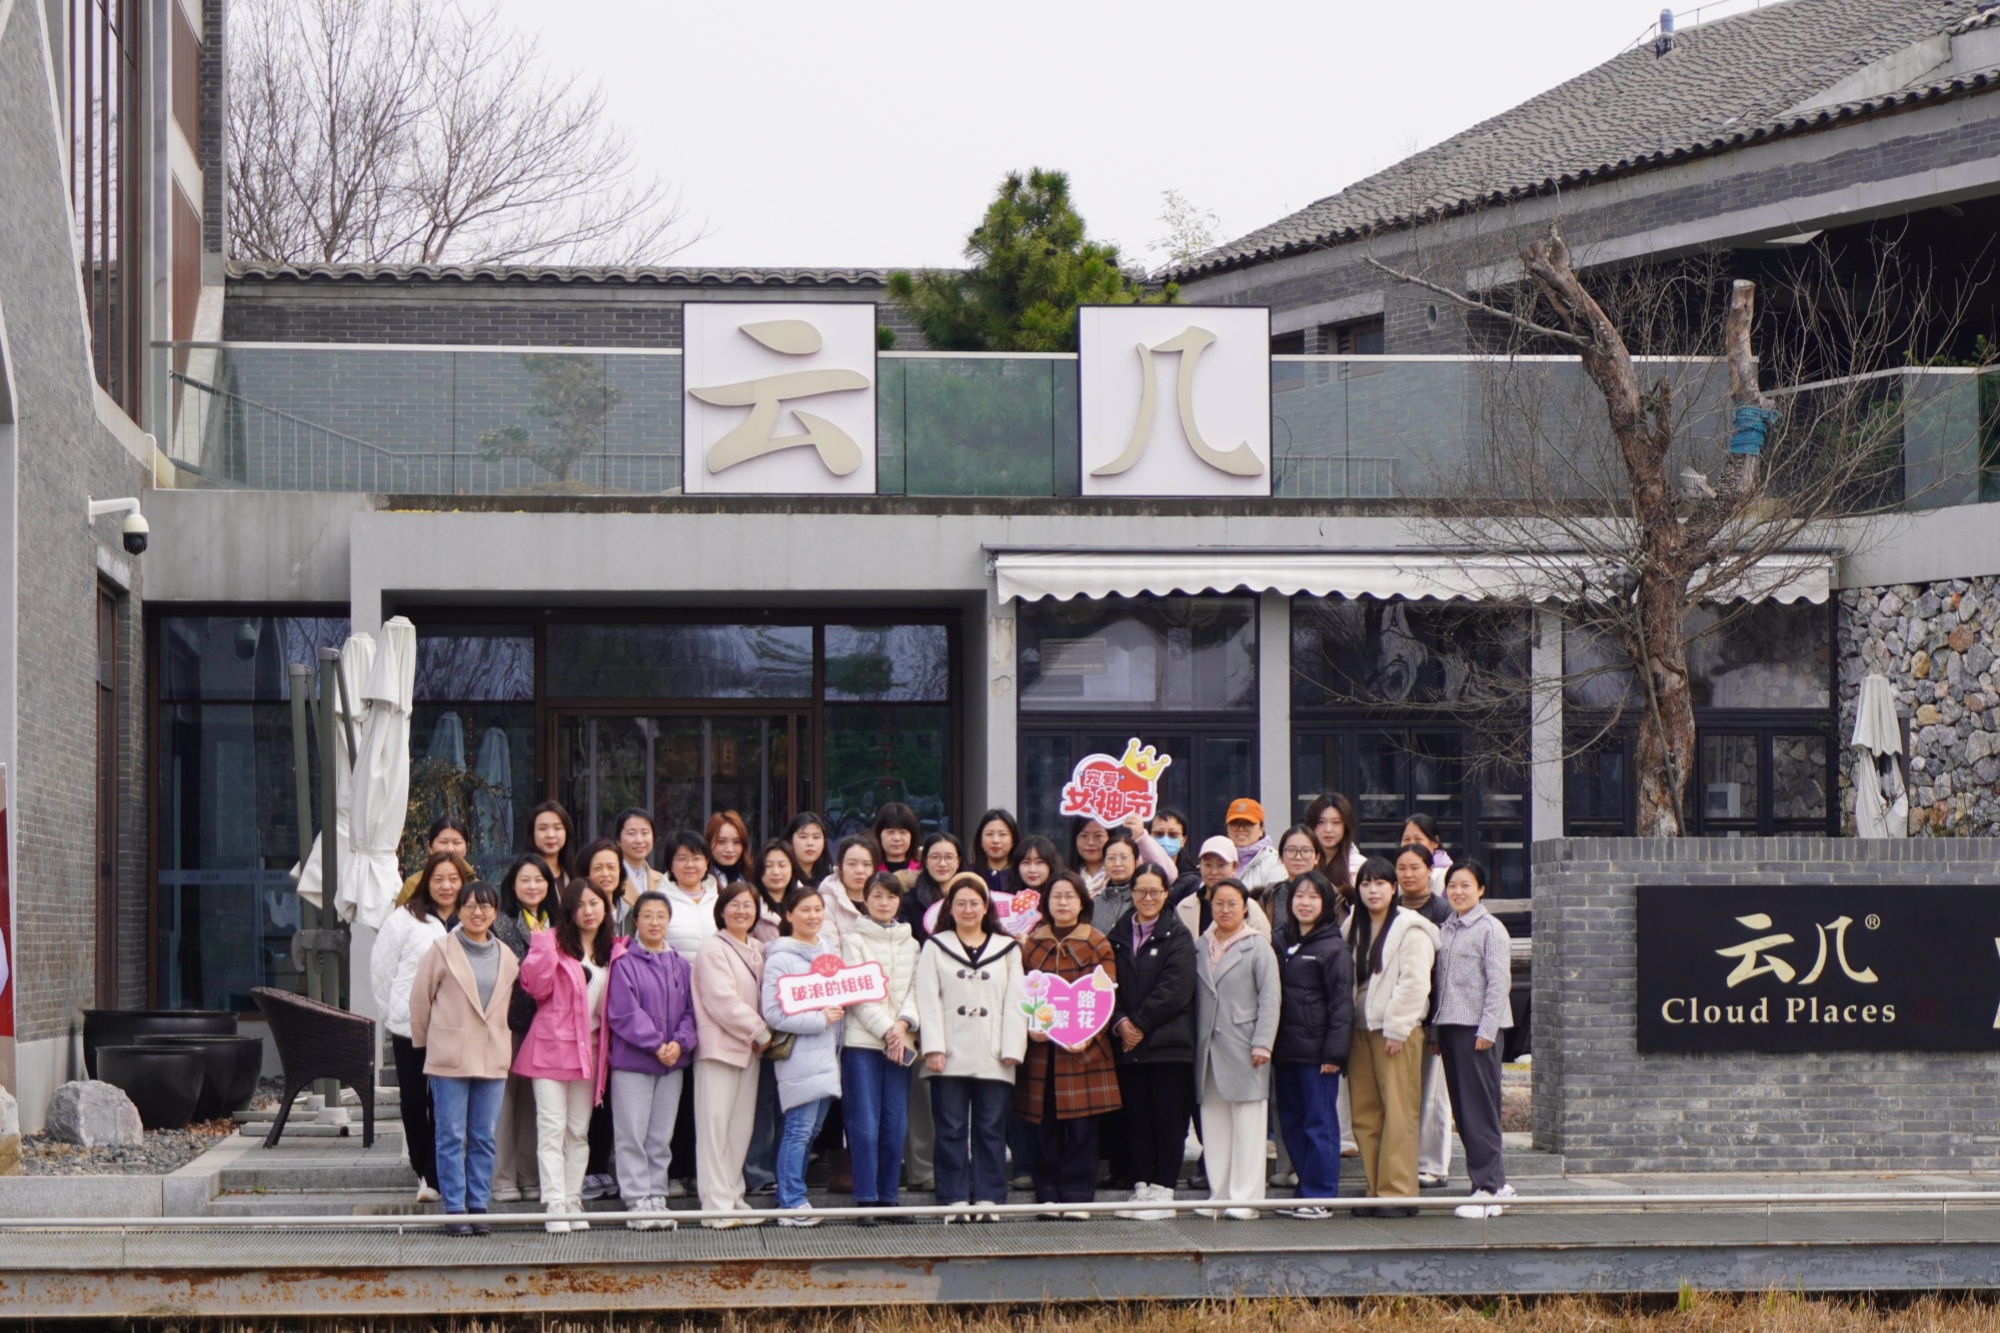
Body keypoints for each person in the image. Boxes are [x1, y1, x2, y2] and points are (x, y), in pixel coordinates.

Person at [409, 880, 519, 1235]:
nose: (478, 912)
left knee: (485, 1135)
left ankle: (478, 1205)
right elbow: (420, 1000)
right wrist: (429, 1043)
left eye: (485, 906)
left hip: (491, 1054)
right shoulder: (441, 950)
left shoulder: (508, 955)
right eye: (469, 905)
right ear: (458, 911)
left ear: (496, 912)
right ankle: (455, 1209)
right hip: (450, 1055)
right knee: (451, 1134)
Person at [915, 873, 1027, 1219]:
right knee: (949, 1127)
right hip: (947, 1054)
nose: (967, 909)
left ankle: (989, 1196)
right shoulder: (935, 945)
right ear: (949, 907)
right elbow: (927, 999)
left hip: (995, 1051)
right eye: (960, 903)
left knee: (991, 1126)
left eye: (974, 903)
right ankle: (953, 1198)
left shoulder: (1007, 948)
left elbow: (1016, 1000)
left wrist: (1012, 1047)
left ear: (986, 907)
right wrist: (932, 1047)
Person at [1015, 873, 1121, 1218]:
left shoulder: (1097, 941)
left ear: (1082, 903)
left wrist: (1089, 1033)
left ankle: (1077, 1196)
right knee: (1042, 1124)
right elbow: (1020, 991)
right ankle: (1047, 1192)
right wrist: (1030, 1027)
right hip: (1042, 1050)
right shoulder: (1031, 944)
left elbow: (1106, 993)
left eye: (1070, 897)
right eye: (1056, 896)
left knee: (1082, 1128)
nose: (1062, 903)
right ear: (1046, 903)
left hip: (1084, 1050)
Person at [516, 877, 617, 1233]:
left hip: (589, 1050)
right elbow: (534, 986)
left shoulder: (614, 950)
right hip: (550, 1046)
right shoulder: (554, 944)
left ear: (606, 908)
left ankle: (573, 1198)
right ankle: (555, 1202)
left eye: (595, 903)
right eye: (580, 905)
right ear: (569, 911)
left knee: (578, 1130)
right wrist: (543, 943)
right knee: (551, 1128)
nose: (588, 911)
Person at [372, 850, 468, 1203]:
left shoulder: (471, 919)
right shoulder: (404, 918)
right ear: (426, 881)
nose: (446, 886)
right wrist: (394, 1013)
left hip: (455, 1029)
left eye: (453, 879)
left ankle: (433, 1175)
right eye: (438, 878)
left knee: (444, 1102)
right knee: (413, 1099)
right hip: (410, 1026)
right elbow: (382, 970)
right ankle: (422, 1165)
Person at [1346, 856, 1439, 1218]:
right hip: (1359, 1030)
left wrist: (1399, 1027)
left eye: (1380, 883)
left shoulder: (1411, 929)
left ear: (1394, 888)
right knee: (1366, 1114)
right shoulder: (1354, 926)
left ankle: (1399, 1192)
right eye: (1366, 884)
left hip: (1395, 1033)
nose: (1372, 890)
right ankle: (1375, 1189)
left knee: (1399, 1111)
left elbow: (1415, 983)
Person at [1107, 864, 1196, 1220]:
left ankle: (1164, 1188)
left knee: (1169, 1118)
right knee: (1137, 1118)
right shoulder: (1116, 934)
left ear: (1165, 894)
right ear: (1131, 892)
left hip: (1168, 1045)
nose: (1147, 898)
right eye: (1141, 891)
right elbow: (1106, 985)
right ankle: (1142, 1187)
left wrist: (1138, 1024)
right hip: (1129, 1045)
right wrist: (1121, 1023)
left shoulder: (1178, 934)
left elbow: (1176, 988)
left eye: (1155, 892)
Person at [605, 890, 697, 1230]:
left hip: (672, 1064)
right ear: (636, 920)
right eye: (648, 916)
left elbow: (692, 1012)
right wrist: (658, 1043)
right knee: (631, 1133)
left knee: (660, 1135)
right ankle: (636, 1200)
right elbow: (623, 1012)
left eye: (661, 915)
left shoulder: (681, 965)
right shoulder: (624, 962)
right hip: (634, 1062)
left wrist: (680, 1043)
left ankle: (656, 1195)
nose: (655, 922)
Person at [1430, 859, 1515, 1220]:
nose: (1458, 892)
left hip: (1477, 1031)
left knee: (1480, 1110)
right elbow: (1437, 986)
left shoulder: (1491, 929)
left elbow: (1499, 983)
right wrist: (1435, 1031)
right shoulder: (1444, 929)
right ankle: (1493, 1182)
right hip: (1449, 1027)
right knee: (1464, 1113)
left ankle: (1489, 1189)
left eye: (1466, 885)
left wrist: (1487, 1029)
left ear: (1480, 889)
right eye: (1452, 886)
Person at [1192, 878, 1281, 1219]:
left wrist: (1263, 1042)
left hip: (1245, 1047)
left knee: (1248, 1127)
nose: (1224, 909)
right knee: (1214, 1127)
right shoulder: (1201, 945)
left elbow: (1270, 999)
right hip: (1208, 1051)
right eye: (1218, 903)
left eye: (1232, 903)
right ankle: (1220, 1194)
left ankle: (1246, 1199)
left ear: (1245, 907)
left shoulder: (1257, 946)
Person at [759, 886, 846, 1227]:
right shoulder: (780, 958)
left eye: (818, 909)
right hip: (800, 1056)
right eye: (805, 910)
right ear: (789, 916)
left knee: (810, 1132)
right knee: (798, 1130)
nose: (813, 916)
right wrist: (819, 1019)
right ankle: (791, 1202)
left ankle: (794, 1197)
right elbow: (773, 1013)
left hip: (828, 1055)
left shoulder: (830, 953)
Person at [1271, 872, 1354, 1220]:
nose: (1304, 902)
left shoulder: (1332, 948)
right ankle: (1305, 1189)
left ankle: (1321, 1195)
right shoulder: (1280, 942)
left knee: (1319, 1123)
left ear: (1324, 905)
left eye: (1313, 897)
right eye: (1299, 896)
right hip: (1285, 1051)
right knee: (1291, 1123)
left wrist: (1334, 1054)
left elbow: (1341, 1006)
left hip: (1318, 1055)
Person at [689, 883, 772, 1229]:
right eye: (734, 905)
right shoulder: (712, 948)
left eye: (749, 905)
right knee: (714, 1129)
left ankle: (734, 1198)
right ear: (720, 910)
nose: (742, 911)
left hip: (751, 1051)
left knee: (740, 1129)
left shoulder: (760, 948)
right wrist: (760, 1031)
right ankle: (715, 1207)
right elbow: (721, 1001)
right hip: (721, 1049)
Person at [840, 872, 921, 1222]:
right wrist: (889, 1029)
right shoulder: (853, 940)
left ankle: (889, 1197)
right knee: (864, 1122)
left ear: (899, 901)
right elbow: (855, 994)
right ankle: (866, 1198)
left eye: (890, 896)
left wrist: (903, 1025)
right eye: (877, 896)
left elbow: (917, 990)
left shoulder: (913, 943)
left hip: (901, 1041)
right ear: (865, 900)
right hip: (862, 1043)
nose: (884, 903)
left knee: (895, 1122)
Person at [490, 853, 558, 1204]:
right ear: (513, 887)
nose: (533, 886)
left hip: (549, 1028)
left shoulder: (556, 925)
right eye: (525, 880)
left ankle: (530, 1176)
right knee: (506, 1103)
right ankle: (503, 1179)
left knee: (536, 1105)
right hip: (510, 1025)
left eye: (539, 880)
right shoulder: (501, 924)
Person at [662, 828, 721, 1199]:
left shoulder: (721, 898)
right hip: (672, 1008)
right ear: (670, 863)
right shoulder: (660, 900)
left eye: (697, 857)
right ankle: (675, 1170)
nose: (690, 864)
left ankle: (702, 1171)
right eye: (682, 857)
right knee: (677, 1094)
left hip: (716, 1009)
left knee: (708, 1091)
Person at [577, 837, 637, 1200]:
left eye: (611, 867)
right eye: (597, 867)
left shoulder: (633, 911)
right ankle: (589, 1170)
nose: (605, 873)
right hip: (589, 1022)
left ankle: (602, 1165)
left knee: (613, 1096)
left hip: (626, 1020)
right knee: (589, 1097)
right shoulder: (576, 911)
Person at [1395, 841, 1455, 1189]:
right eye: (1401, 868)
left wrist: (1435, 1028)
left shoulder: (1443, 912)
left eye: (1415, 867)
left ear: (1429, 870)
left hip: (1433, 1015)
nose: (1407, 874)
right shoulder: (1389, 907)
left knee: (1433, 1096)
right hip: (1399, 1018)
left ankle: (1433, 1165)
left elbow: (1443, 974)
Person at [1178, 837, 1272, 938]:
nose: (1214, 872)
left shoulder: (1250, 908)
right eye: (1208, 865)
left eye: (1221, 865)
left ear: (1235, 867)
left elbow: (1264, 947)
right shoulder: (1184, 907)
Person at [897, 832, 962, 944]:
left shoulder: (974, 897)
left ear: (958, 862)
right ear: (925, 862)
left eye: (949, 857)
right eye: (935, 857)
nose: (942, 863)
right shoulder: (909, 902)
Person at [393, 817, 472, 905]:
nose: (450, 849)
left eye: (457, 843)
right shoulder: (414, 885)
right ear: (430, 847)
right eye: (443, 842)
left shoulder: (475, 885)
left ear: (466, 848)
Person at [1220, 799, 1287, 903]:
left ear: (1261, 829)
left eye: (1248, 823)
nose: (1241, 829)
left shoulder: (1275, 863)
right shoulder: (1217, 859)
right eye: (1235, 823)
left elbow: (1276, 906)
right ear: (1227, 829)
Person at [1303, 793, 1364, 902]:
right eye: (1321, 822)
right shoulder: (1301, 860)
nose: (1328, 829)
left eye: (1336, 822)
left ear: (1346, 826)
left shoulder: (1358, 865)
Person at [1268, 826, 1327, 938]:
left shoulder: (1332, 894)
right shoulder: (1270, 895)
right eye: (1291, 850)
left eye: (1305, 851)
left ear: (1316, 858)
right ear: (1281, 857)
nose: (1298, 857)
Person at [613, 808, 665, 932]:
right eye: (632, 833)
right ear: (618, 840)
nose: (639, 840)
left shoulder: (662, 879)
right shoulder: (611, 878)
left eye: (645, 833)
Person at [819, 833, 877, 943]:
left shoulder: (882, 899)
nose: (860, 870)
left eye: (867, 864)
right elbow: (829, 947)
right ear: (840, 867)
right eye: (852, 864)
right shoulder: (826, 903)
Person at [750, 842, 801, 942]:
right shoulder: (750, 904)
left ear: (792, 868)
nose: (776, 872)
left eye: (782, 865)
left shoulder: (805, 901)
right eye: (768, 866)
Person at [1093, 827, 1143, 928]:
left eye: (1124, 857)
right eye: (1111, 858)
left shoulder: (1144, 900)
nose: (1117, 863)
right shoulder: (1094, 904)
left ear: (1137, 863)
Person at [972, 808, 1020, 893]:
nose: (995, 840)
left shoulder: (1022, 874)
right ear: (980, 840)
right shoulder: (969, 875)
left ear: (1013, 840)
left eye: (1002, 834)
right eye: (989, 834)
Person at [1401, 814, 1451, 895]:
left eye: (1418, 839)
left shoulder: (1449, 875)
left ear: (1435, 842)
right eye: (1406, 839)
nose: (1411, 845)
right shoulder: (1397, 873)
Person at [528, 802, 577, 883]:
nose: (550, 835)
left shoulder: (573, 873)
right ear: (532, 833)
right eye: (543, 828)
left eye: (557, 828)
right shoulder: (523, 874)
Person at [871, 802, 923, 876]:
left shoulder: (922, 871)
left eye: (903, 832)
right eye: (890, 832)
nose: (897, 838)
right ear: (879, 834)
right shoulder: (871, 870)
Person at [703, 811, 751, 891]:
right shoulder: (700, 882)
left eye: (736, 842)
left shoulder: (754, 878)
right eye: (721, 842)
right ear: (709, 842)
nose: (729, 849)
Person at [784, 812, 834, 888]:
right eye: (803, 837)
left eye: (816, 837)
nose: (810, 843)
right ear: (790, 841)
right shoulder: (781, 877)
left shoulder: (831, 878)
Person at [1069, 819, 1110, 898]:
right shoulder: (1065, 878)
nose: (1090, 842)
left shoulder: (1119, 875)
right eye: (1084, 836)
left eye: (1098, 836)